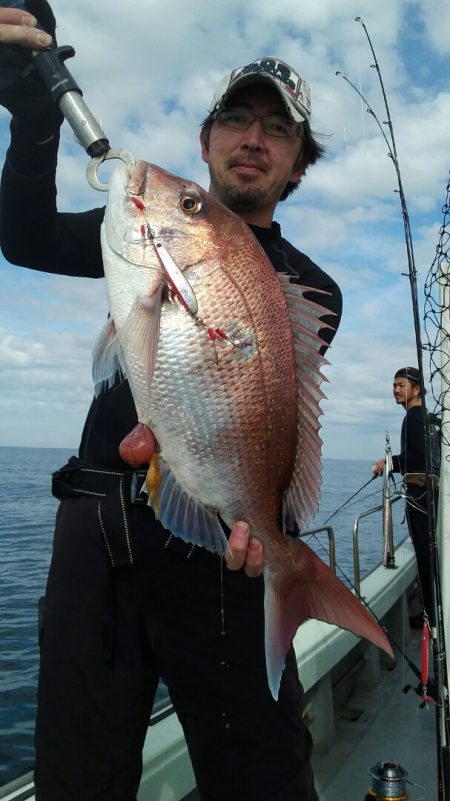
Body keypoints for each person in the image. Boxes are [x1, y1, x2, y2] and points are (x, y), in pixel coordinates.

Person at [0, 4, 342, 800]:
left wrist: (264, 531)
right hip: (97, 544)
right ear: (207, 141)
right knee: (77, 779)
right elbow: (23, 237)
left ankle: (288, 583)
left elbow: (250, 424)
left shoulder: (310, 289)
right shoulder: (146, 232)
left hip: (220, 549)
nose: (252, 138)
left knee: (266, 777)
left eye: (276, 129)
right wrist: (33, 119)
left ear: (296, 165)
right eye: (235, 119)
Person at [373, 367, 439, 628]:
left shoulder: (413, 417)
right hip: (430, 496)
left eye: (401, 385)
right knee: (428, 553)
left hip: (419, 496)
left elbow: (417, 457)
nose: (396, 390)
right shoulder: (428, 417)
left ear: (417, 389)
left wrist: (388, 462)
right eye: (394, 385)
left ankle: (430, 618)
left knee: (424, 554)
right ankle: (433, 610)